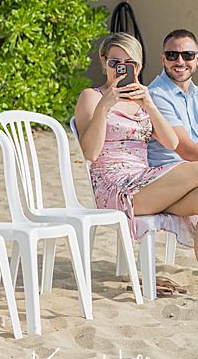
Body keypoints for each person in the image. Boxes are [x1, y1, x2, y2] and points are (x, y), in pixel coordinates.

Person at [76, 33, 198, 263]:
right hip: (115, 187)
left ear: (138, 66)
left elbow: (171, 143)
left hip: (145, 181)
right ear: (104, 63)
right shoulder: (91, 97)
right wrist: (105, 106)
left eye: (128, 64)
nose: (120, 69)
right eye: (114, 63)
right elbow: (90, 153)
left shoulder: (143, 101)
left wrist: (148, 104)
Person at [146, 28, 198, 167]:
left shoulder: (196, 94)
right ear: (163, 59)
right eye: (172, 55)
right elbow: (187, 151)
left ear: (197, 59)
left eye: (188, 55)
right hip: (169, 172)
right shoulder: (155, 95)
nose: (180, 62)